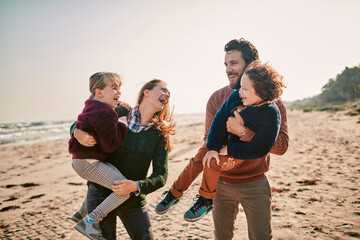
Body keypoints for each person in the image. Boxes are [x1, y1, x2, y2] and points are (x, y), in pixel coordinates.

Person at [155, 38, 289, 239]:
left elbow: (281, 146)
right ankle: (176, 194)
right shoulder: (218, 98)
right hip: (221, 184)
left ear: (251, 65)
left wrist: (243, 133)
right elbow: (210, 138)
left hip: (255, 183)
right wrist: (217, 152)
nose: (228, 69)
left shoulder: (272, 103)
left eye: (234, 63)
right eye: (226, 64)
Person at [72, 79, 174, 239]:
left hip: (133, 199)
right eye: (163, 89)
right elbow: (82, 122)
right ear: (146, 91)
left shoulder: (160, 134)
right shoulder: (118, 112)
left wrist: (136, 185)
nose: (167, 94)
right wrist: (76, 132)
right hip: (100, 194)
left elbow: (161, 176)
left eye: (168, 93)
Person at [183, 60, 285, 222]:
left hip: (251, 168)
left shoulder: (272, 114)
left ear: (261, 92)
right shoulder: (235, 97)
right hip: (223, 161)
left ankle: (203, 198)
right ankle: (203, 199)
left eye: (245, 89)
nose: (240, 92)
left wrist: (234, 146)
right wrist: (213, 147)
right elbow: (218, 121)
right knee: (209, 158)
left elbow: (262, 148)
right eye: (240, 87)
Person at [68, 72, 131, 240]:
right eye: (114, 88)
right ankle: (90, 220)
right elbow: (111, 145)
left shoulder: (91, 107)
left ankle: (82, 210)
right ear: (99, 92)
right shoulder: (106, 112)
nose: (119, 92)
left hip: (82, 160)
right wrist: (122, 122)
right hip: (89, 163)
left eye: (119, 89)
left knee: (111, 175)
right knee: (123, 190)